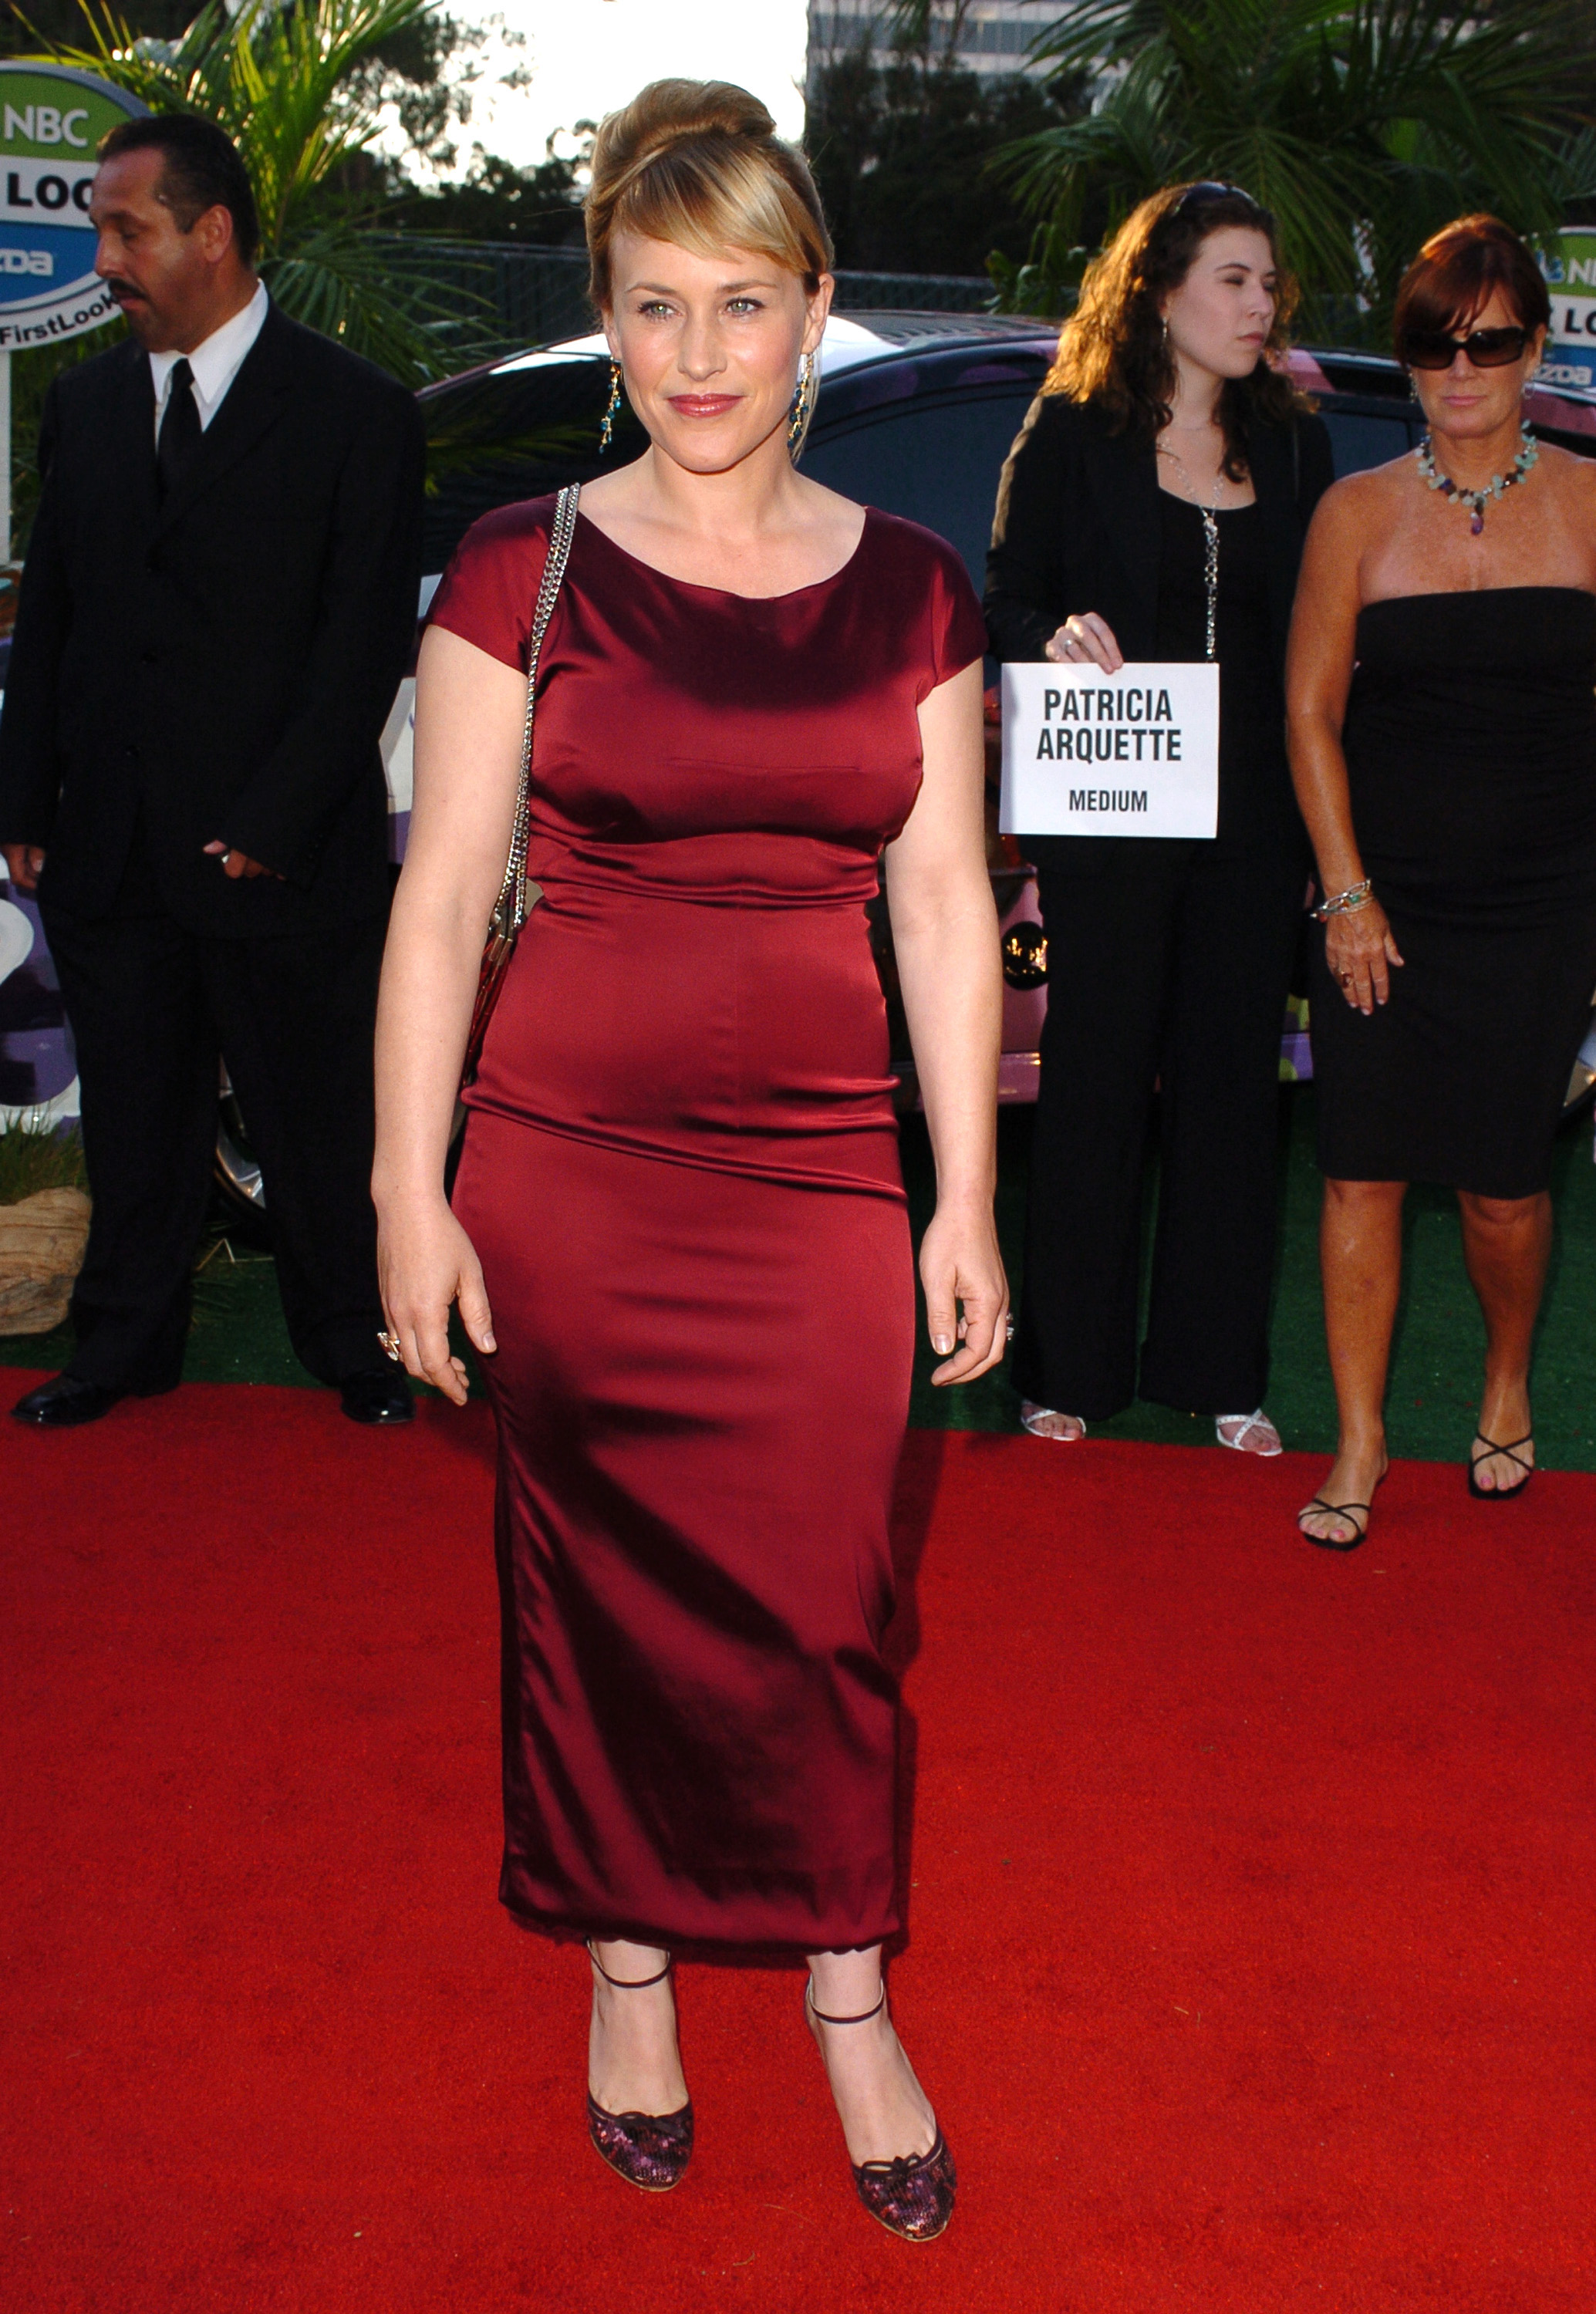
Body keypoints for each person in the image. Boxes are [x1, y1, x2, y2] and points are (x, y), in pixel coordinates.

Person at [372, 80, 1006, 2241]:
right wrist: (400, 1187)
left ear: (816, 312)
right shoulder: (515, 565)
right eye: (657, 308)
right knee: (593, 1585)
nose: (703, 353)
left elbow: (937, 903)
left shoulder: (915, 588)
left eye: (746, 303)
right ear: (610, 325)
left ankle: (844, 1985)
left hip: (820, 1179)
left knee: (827, 1603)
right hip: (566, 1167)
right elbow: (443, 897)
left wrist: (965, 1198)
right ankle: (625, 1966)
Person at [0, 114, 424, 1429]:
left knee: (312, 1116)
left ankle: (352, 1343)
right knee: (137, 1112)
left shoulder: (354, 411)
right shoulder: (83, 411)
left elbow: (360, 646)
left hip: (284, 851)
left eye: (127, 230)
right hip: (113, 845)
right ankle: (124, 1345)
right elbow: (51, 623)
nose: (105, 258)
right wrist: (24, 803)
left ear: (212, 233)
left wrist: (272, 820)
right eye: (98, 232)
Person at [985, 184, 1333, 1454]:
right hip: (1109, 817)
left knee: (1233, 1095)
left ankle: (1216, 1373)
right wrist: (1051, 635)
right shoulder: (1073, 431)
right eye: (1235, 280)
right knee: (1089, 1085)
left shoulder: (1293, 443)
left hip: (1252, 825)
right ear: (1161, 290)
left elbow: (1314, 641)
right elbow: (1004, 600)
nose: (1260, 306)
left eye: (1268, 284)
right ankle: (1062, 1373)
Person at [1286, 215, 1596, 1548]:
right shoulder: (1355, 512)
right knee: (1357, 1170)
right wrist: (1346, 894)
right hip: (1382, 903)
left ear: (1533, 346)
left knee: (1501, 1185)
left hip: (1543, 899)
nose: (1457, 367)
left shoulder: (1590, 503)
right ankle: (1358, 1443)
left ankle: (1506, 1377)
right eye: (1429, 342)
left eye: (1487, 341)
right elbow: (1305, 715)